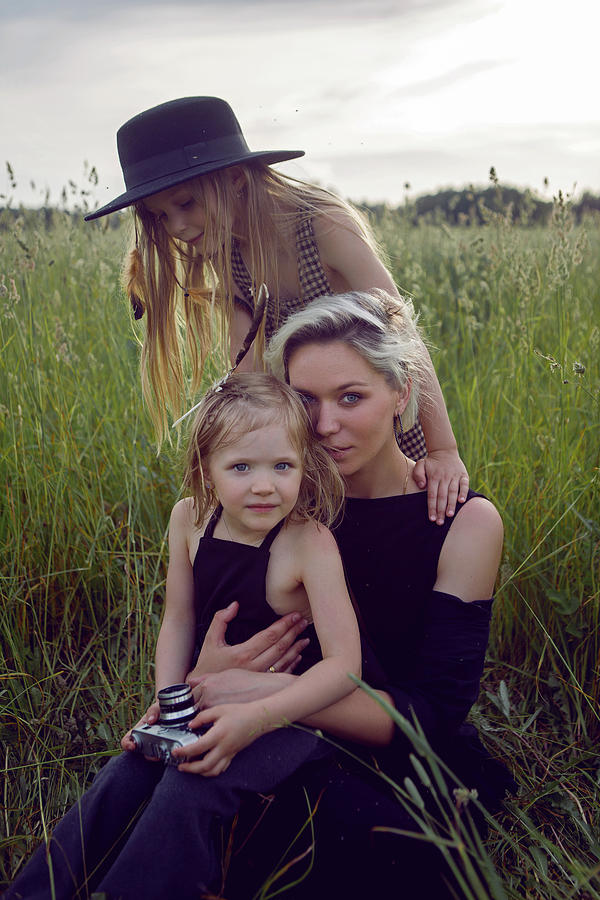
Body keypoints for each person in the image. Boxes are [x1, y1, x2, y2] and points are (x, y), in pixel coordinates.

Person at [186, 289, 514, 898]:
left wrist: (272, 694)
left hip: (396, 763)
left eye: (352, 397)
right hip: (270, 734)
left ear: (402, 395)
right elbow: (222, 633)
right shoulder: (279, 503)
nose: (326, 424)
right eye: (305, 399)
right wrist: (208, 675)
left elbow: (432, 716)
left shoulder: (462, 524)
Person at [6, 374, 365, 900]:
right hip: (206, 697)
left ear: (303, 466)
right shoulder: (190, 520)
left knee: (190, 783)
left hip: (290, 717)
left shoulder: (308, 541)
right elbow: (178, 619)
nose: (264, 486)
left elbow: (345, 665)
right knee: (127, 772)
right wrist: (165, 704)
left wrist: (255, 718)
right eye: (241, 467)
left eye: (282, 466)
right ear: (206, 470)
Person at [85, 95, 467, 525]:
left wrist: (443, 451)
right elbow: (251, 376)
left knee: (412, 528)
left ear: (234, 180)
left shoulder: (321, 224)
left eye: (187, 203)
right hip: (308, 435)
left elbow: (404, 339)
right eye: (161, 215)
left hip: (373, 426)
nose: (177, 226)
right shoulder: (224, 253)